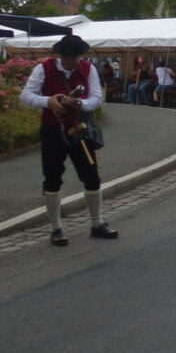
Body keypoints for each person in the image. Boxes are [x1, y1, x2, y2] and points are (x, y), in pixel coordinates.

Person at [20, 34, 118, 246]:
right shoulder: (43, 68)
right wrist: (49, 101)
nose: (70, 61)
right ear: (60, 55)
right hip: (52, 130)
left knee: (91, 176)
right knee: (52, 178)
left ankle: (97, 223)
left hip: (80, 129)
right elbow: (26, 96)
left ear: (79, 56)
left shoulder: (88, 69)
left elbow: (96, 98)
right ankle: (56, 228)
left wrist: (80, 104)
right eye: (66, 57)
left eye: (73, 57)